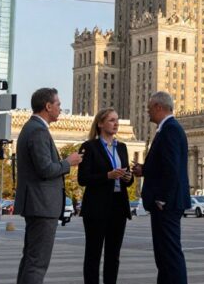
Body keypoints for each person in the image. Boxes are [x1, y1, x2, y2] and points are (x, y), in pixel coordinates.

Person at [14, 87, 82, 284]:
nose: (61, 108)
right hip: (42, 205)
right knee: (37, 261)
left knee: (30, 258)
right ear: (48, 106)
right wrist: (69, 162)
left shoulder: (32, 128)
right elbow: (45, 169)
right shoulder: (38, 131)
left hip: (37, 203)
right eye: (58, 104)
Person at [131, 91, 190, 284]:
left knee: (170, 255)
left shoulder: (170, 129)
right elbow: (164, 165)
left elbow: (172, 168)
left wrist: (162, 198)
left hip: (167, 204)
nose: (147, 112)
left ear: (158, 107)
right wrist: (145, 169)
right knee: (164, 256)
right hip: (167, 202)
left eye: (149, 108)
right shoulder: (168, 129)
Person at [78, 108, 134, 284]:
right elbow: (83, 179)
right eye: (111, 120)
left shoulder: (122, 147)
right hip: (97, 206)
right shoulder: (89, 147)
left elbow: (128, 179)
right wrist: (107, 176)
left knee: (113, 254)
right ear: (100, 123)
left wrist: (128, 177)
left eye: (116, 120)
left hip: (118, 205)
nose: (116, 123)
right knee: (93, 253)